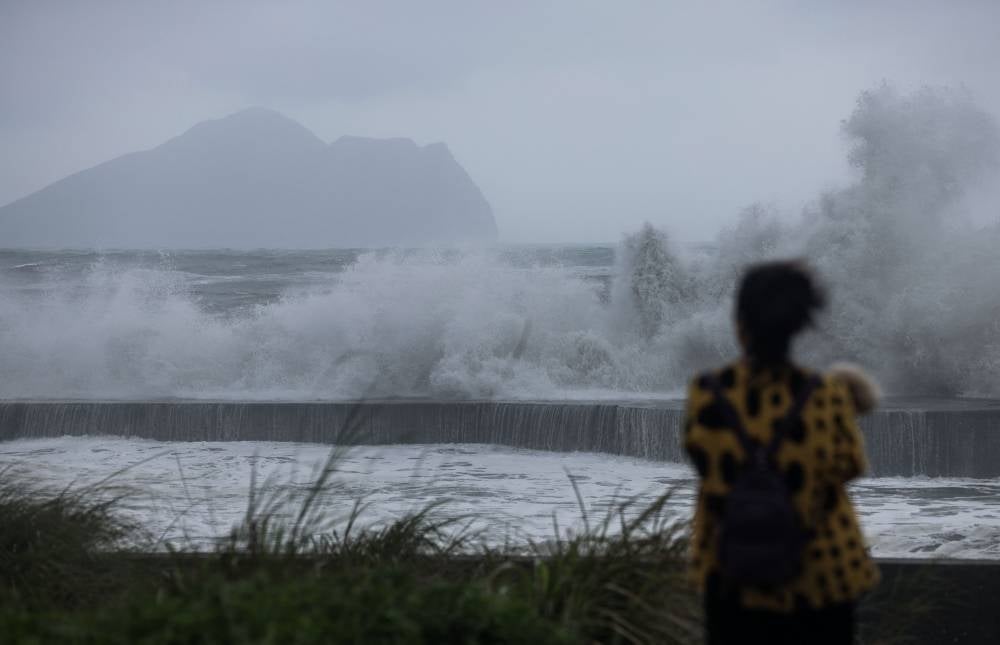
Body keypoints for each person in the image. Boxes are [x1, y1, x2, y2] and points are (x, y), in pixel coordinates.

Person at [684, 260, 879, 645]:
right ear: (799, 328)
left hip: (732, 575)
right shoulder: (825, 394)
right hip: (822, 573)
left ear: (741, 324)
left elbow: (702, 461)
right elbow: (851, 466)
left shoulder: (708, 392)